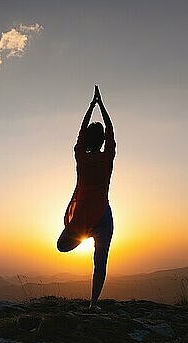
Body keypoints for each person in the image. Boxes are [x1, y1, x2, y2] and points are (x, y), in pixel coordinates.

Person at [57, 85, 116, 310]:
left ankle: (85, 235)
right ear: (101, 141)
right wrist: (102, 106)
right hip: (103, 216)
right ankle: (93, 304)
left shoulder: (81, 156)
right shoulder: (107, 158)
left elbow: (81, 135)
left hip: (81, 217)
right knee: (100, 261)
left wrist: (91, 106)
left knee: (61, 246)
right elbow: (111, 132)